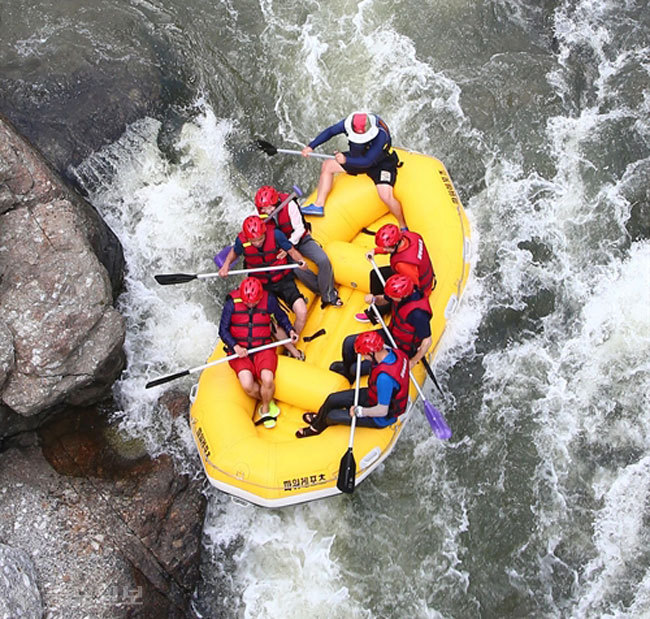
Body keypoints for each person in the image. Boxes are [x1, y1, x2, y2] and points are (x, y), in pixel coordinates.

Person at [218, 215, 309, 360]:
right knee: (271, 322)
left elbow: (292, 251)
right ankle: (292, 350)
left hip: (283, 279)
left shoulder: (276, 235)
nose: (258, 243)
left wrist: (301, 262)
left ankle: (292, 335)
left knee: (302, 311)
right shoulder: (242, 242)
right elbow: (234, 252)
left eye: (260, 239)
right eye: (253, 240)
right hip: (261, 286)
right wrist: (226, 265)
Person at [300, 112, 407, 229]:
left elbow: (368, 161)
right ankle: (318, 205)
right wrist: (311, 146)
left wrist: (345, 160)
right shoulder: (348, 123)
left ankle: (403, 225)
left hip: (381, 163)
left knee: (385, 195)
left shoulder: (380, 134)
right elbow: (330, 131)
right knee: (327, 166)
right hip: (357, 157)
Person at [295, 331, 410, 437]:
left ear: (371, 352)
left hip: (380, 417)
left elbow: (382, 410)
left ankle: (318, 425)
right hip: (372, 396)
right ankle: (317, 423)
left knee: (332, 415)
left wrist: (359, 411)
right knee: (332, 399)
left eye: (364, 355)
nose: (364, 358)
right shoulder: (394, 352)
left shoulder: (384, 378)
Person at [219, 277, 299, 429]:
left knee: (267, 379)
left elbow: (281, 317)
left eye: (253, 302)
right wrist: (235, 346)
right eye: (246, 302)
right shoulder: (231, 304)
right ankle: (267, 399)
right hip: (240, 351)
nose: (249, 305)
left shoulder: (268, 300)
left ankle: (266, 409)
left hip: (262, 347)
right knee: (247, 384)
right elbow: (223, 330)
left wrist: (290, 330)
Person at [330, 274, 433, 381]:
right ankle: (347, 370)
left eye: (393, 297)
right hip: (391, 333)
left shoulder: (418, 314)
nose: (390, 298)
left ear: (403, 296)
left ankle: (352, 371)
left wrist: (413, 361)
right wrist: (374, 299)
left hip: (403, 348)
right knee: (349, 342)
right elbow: (384, 299)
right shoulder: (401, 294)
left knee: (355, 369)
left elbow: (427, 341)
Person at [254, 185, 342, 307]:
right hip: (282, 246)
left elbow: (300, 229)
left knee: (323, 260)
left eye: (269, 208)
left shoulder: (290, 205)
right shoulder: (260, 214)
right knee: (297, 269)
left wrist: (288, 246)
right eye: (264, 209)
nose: (267, 212)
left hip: (301, 239)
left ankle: (328, 295)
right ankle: (325, 292)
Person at [356, 223, 436, 322]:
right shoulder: (410, 236)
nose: (384, 249)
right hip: (416, 274)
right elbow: (391, 248)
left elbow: (411, 290)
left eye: (386, 248)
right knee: (375, 274)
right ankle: (376, 304)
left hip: (415, 288)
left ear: (396, 244)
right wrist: (375, 251)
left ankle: (376, 313)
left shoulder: (403, 265)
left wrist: (387, 296)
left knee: (394, 295)